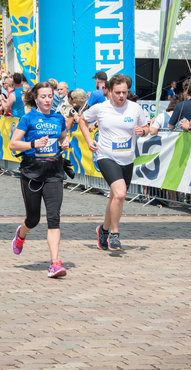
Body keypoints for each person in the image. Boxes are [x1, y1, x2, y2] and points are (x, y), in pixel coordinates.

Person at [78, 74, 149, 251]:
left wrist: (143, 131)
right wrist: (89, 140)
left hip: (127, 158)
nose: (121, 96)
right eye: (118, 92)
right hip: (106, 156)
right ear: (109, 91)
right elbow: (82, 120)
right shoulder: (101, 108)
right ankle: (114, 235)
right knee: (120, 194)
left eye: (124, 92)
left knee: (114, 198)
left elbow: (146, 127)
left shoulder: (135, 108)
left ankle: (103, 230)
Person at [9, 81, 70, 278]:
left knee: (54, 217)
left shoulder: (58, 118)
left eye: (50, 97)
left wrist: (65, 143)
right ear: (36, 99)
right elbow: (13, 144)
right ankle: (21, 235)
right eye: (43, 97)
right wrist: (33, 143)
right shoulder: (28, 118)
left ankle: (55, 262)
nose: (47, 100)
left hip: (53, 171)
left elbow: (62, 138)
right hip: (31, 173)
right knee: (33, 219)